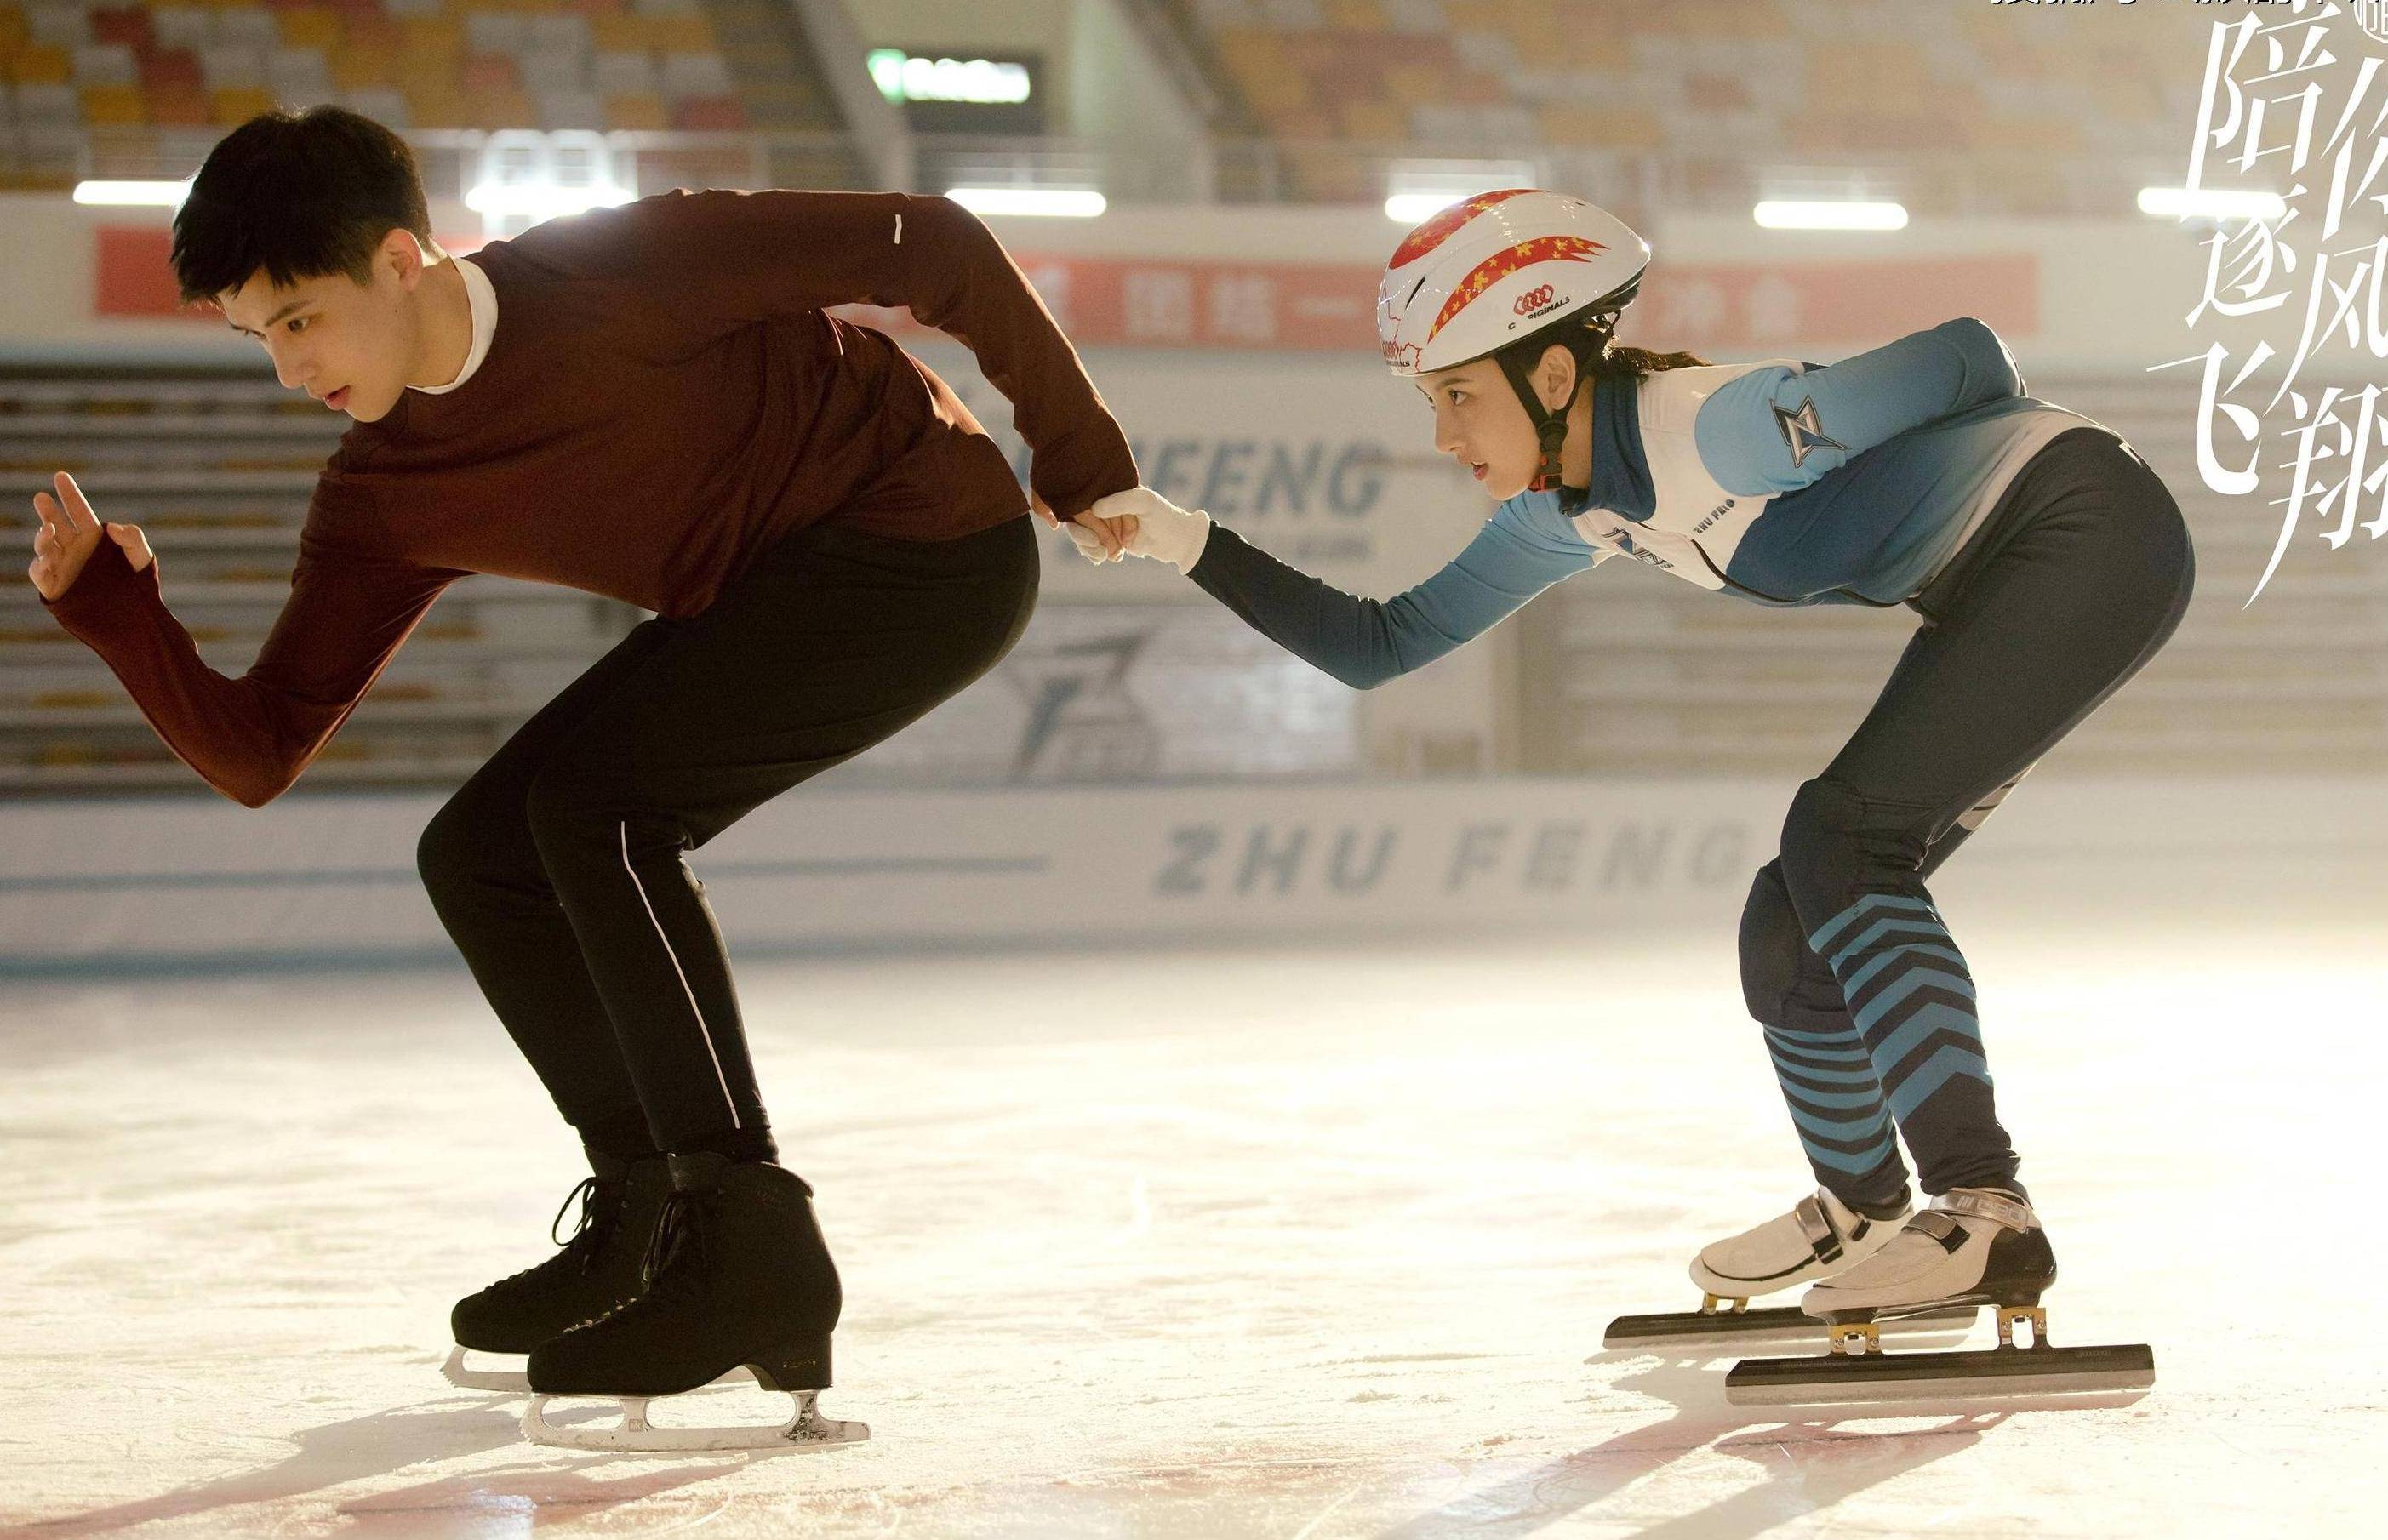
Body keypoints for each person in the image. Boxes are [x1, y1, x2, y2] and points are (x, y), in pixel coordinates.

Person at [27, 106, 1137, 1449]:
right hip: (754, 597)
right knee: (479, 852)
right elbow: (261, 751)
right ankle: (650, 1209)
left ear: (400, 259)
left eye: (301, 319)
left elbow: (933, 242)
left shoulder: (614, 268)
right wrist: (115, 615)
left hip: (926, 545)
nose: (284, 369)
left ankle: (748, 1242)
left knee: (597, 808)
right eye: (256, 337)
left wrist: (1078, 456)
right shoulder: (387, 489)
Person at [1071, 189, 2195, 1346]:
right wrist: (1178, 535)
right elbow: (1381, 644)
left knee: (1840, 838)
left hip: (2086, 534)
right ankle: (1866, 1209)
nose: (1443, 437)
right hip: (1991, 585)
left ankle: (1981, 1211)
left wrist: (1930, 452)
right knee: (1788, 920)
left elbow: (1967, 354)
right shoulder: (1560, 514)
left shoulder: (1724, 429)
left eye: (1456, 396)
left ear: (1553, 378)